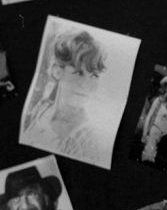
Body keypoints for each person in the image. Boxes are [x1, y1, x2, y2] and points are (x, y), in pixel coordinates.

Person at [21, 29, 109, 164]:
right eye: (79, 73)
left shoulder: (86, 141)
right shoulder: (43, 107)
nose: (85, 85)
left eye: (94, 75)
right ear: (57, 72)